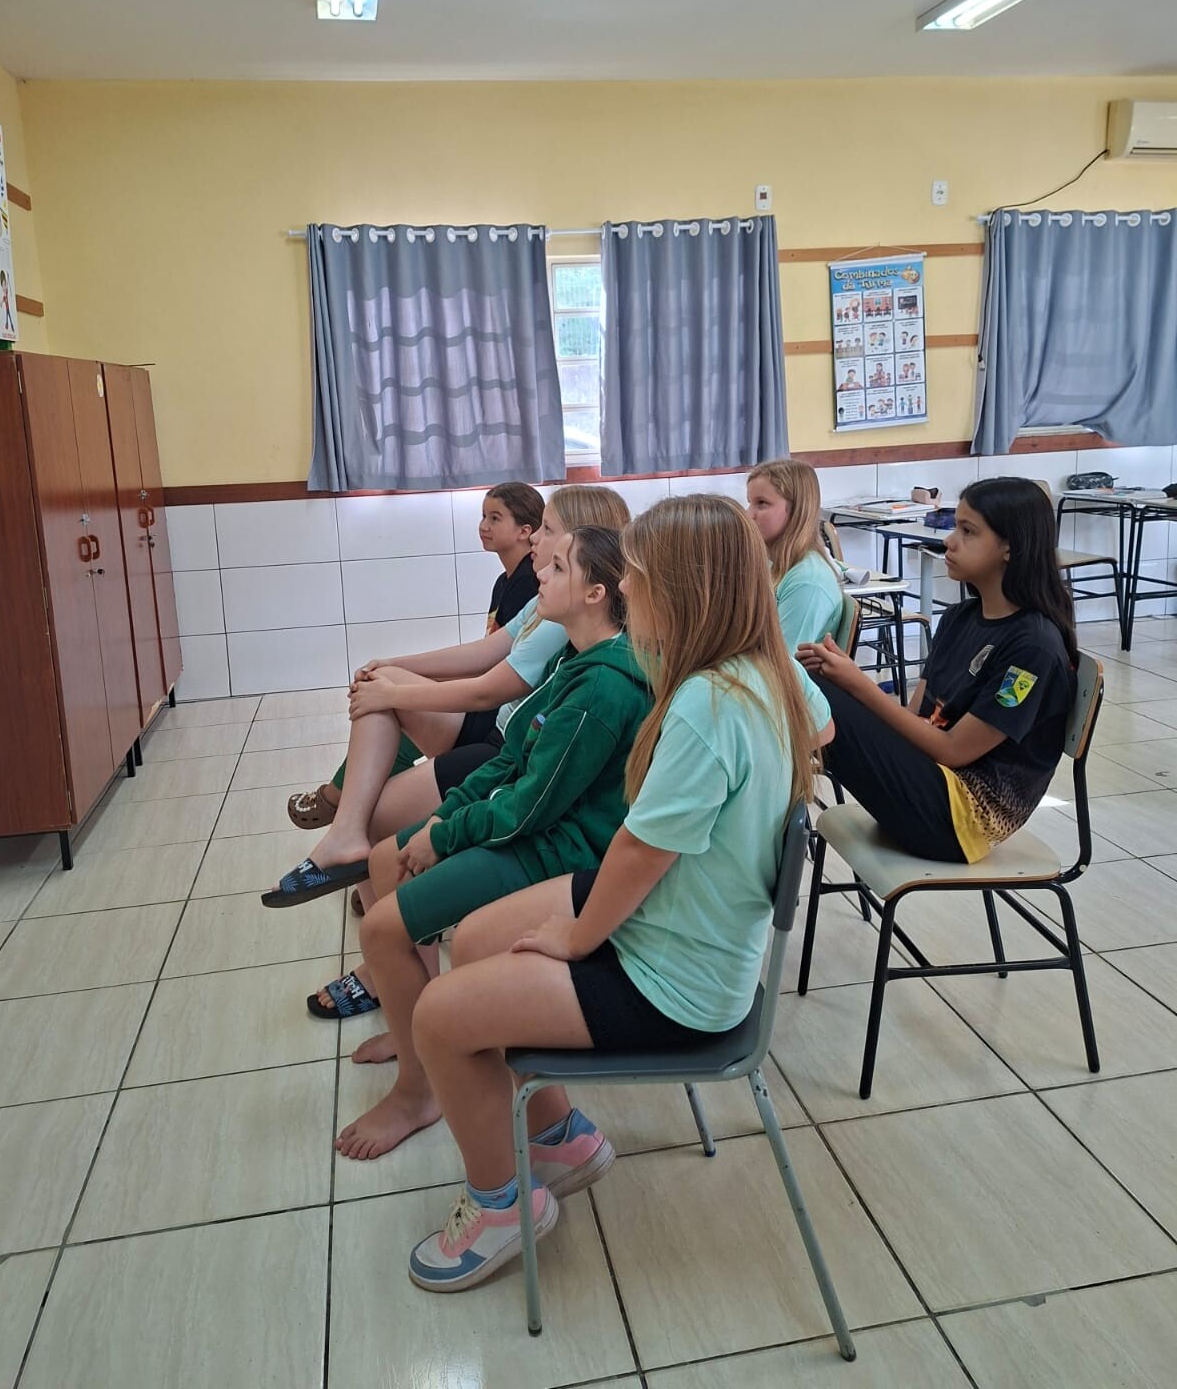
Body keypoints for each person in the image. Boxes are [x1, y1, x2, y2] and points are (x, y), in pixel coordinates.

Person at [399, 493, 830, 1293]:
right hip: (685, 918)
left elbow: (638, 851)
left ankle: (500, 1208)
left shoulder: (706, 705)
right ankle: (558, 1136)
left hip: (678, 980)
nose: (625, 589)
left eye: (637, 576)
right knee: (479, 937)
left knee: (438, 1017)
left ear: (684, 590)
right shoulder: (754, 673)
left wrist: (577, 938)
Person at [327, 524, 653, 1161]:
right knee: (386, 859)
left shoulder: (604, 686)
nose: (541, 574)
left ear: (595, 593)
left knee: (381, 930)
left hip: (561, 850)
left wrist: (446, 834)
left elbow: (532, 805)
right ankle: (415, 1037)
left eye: (557, 567)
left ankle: (418, 1090)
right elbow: (510, 760)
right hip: (536, 828)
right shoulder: (572, 661)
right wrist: (444, 817)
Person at [797, 477, 1077, 864]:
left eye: (968, 531)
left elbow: (953, 750)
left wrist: (856, 684)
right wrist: (844, 682)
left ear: (1010, 546)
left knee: (805, 688)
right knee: (808, 683)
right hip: (926, 780)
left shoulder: (1034, 648)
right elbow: (914, 720)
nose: (949, 541)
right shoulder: (960, 618)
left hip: (959, 819)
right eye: (955, 527)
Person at [286, 482, 544, 832]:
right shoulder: (507, 582)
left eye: (495, 518)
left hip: (496, 718)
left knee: (392, 702)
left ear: (525, 531)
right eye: (483, 516)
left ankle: (340, 798)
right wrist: (403, 668)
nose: (483, 526)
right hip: (490, 698)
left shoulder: (531, 584)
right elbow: (485, 652)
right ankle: (349, 800)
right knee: (389, 692)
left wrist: (408, 683)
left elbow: (493, 670)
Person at [746, 459, 844, 649]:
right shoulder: (772, 564)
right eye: (750, 503)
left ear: (797, 510)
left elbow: (782, 660)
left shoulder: (808, 581)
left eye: (762, 503)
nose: (749, 514)